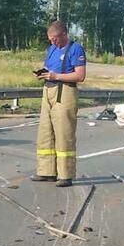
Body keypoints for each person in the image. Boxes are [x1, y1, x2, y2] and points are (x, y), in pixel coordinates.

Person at [34, 20, 87, 187]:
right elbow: (49, 68)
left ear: (64, 34)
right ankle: (46, 171)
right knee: (45, 132)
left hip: (65, 91)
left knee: (64, 133)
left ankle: (65, 175)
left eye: (55, 38)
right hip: (48, 90)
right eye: (50, 39)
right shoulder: (51, 49)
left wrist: (56, 76)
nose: (53, 42)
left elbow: (80, 76)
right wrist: (44, 74)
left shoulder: (75, 49)